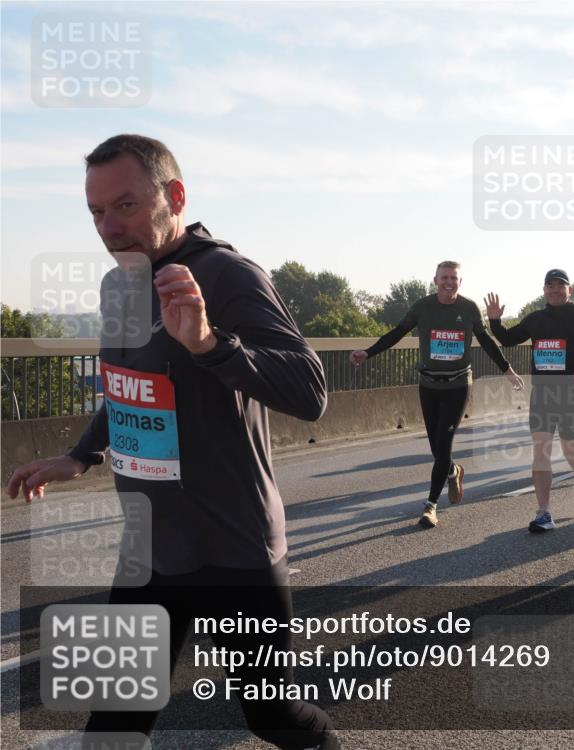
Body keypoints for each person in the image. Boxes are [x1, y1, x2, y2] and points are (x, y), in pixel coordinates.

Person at [6, 135, 340, 749]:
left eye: (125, 206)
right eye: (96, 213)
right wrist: (81, 453)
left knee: (274, 717)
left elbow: (310, 391)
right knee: (112, 722)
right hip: (151, 549)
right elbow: (129, 388)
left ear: (174, 196)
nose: (109, 227)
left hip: (235, 547)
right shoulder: (119, 286)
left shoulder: (227, 275)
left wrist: (212, 344)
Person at [350, 261, 524, 528]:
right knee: (436, 449)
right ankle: (454, 471)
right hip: (429, 385)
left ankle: (430, 505)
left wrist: (507, 369)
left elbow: (486, 340)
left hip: (458, 386)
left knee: (444, 445)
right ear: (435, 280)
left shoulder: (468, 308)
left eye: (454, 278)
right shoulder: (423, 307)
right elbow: (397, 333)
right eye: (444, 277)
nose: (449, 282)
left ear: (460, 282)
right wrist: (368, 352)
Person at [486, 269, 574, 533]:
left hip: (572, 390)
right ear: (544, 290)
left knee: (571, 450)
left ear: (569, 290)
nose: (555, 290)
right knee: (540, 449)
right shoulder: (536, 319)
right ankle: (543, 512)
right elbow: (508, 340)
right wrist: (494, 321)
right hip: (542, 391)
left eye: (560, 286)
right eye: (550, 286)